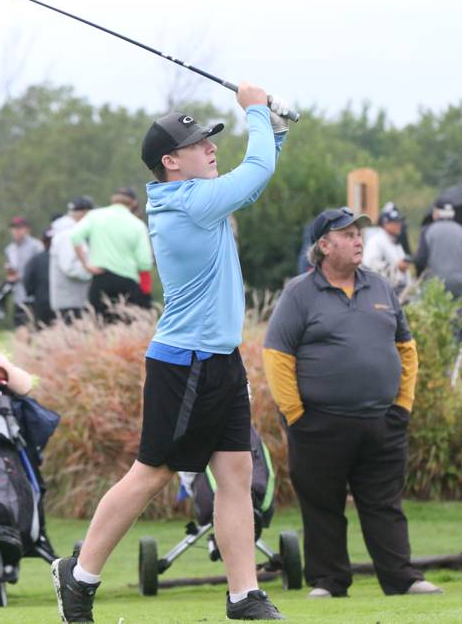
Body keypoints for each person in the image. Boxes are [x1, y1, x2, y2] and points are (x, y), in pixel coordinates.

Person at [51, 83, 288, 623]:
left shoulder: (196, 198)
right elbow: (254, 177)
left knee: (234, 471)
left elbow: (255, 174)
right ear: (170, 162)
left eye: (211, 140)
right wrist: (254, 108)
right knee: (153, 472)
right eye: (199, 143)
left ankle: (243, 595)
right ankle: (79, 577)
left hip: (220, 360)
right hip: (187, 362)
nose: (211, 148)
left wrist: (274, 132)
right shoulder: (186, 204)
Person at [262, 207, 441, 600]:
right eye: (347, 234)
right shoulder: (299, 292)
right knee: (322, 505)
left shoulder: (379, 287)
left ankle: (402, 579)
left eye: (359, 233)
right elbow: (277, 356)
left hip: (382, 420)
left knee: (385, 504)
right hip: (318, 423)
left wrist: (403, 405)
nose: (358, 239)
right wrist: (296, 415)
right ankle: (328, 582)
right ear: (324, 245)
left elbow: (405, 348)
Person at [69, 189, 153, 319]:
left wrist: (86, 265)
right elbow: (145, 263)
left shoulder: (95, 216)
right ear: (133, 203)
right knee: (127, 328)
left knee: (101, 328)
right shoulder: (138, 225)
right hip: (128, 281)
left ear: (113, 199)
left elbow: (75, 236)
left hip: (101, 279)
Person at [414, 203, 462, 309]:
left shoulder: (428, 230)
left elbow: (420, 260)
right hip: (459, 286)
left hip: (434, 285)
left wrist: (419, 277)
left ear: (436, 213)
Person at [49, 197, 94, 323]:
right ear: (82, 214)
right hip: (70, 301)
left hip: (74, 300)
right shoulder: (67, 235)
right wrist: (93, 272)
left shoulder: (69, 232)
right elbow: (70, 267)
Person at [4, 216, 44, 327]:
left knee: (38, 328)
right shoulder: (9, 249)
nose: (17, 231)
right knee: (21, 328)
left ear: (27, 229)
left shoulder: (36, 246)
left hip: (35, 295)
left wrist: (20, 276)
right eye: (14, 228)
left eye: (20, 228)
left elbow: (39, 270)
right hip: (18, 295)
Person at [362, 205, 412, 294]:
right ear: (385, 223)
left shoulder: (395, 242)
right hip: (380, 294)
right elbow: (369, 267)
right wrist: (397, 268)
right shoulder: (375, 241)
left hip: (395, 293)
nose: (399, 225)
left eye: (399, 221)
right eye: (395, 222)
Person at [23, 228, 54, 327]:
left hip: (41, 303)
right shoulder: (63, 258)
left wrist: (31, 292)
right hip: (61, 303)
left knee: (42, 334)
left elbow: (27, 281)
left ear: (43, 242)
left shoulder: (35, 260)